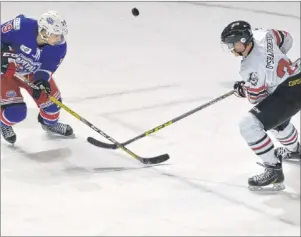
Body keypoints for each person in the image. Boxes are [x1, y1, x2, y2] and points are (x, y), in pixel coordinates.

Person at [220, 20, 301, 191]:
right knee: (276, 121)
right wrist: (276, 62)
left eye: (233, 45)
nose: (232, 49)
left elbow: (257, 99)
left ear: (243, 41)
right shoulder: (262, 34)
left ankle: (273, 171)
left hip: (289, 94)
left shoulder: (250, 67)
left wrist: (244, 89)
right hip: (297, 77)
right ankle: (296, 150)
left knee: (249, 125)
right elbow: (287, 39)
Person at [1, 10, 73, 144]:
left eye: (60, 34)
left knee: (52, 105)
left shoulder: (59, 48)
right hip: (6, 73)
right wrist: (3, 57)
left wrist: (41, 81)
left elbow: (47, 68)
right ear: (44, 32)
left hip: (31, 73)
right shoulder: (21, 26)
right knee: (15, 113)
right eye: (56, 35)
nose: (59, 38)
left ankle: (49, 124)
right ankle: (3, 124)